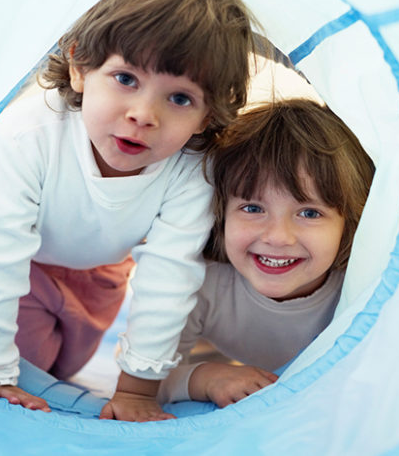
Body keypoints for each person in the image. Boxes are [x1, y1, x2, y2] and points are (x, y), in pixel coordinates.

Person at [0, 0, 257, 421]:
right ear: (80, 68)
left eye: (179, 99)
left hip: (100, 274)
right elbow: (1, 253)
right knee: (28, 363)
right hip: (26, 264)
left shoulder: (191, 168)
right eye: (126, 79)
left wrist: (138, 390)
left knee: (65, 364)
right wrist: (0, 372)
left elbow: (170, 275)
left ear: (207, 115)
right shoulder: (28, 136)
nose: (143, 114)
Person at [158, 98, 376, 408]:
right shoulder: (197, 282)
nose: (278, 237)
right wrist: (205, 378)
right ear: (219, 215)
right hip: (215, 355)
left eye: (309, 213)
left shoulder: (363, 284)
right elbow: (137, 380)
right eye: (252, 208)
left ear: (349, 222)